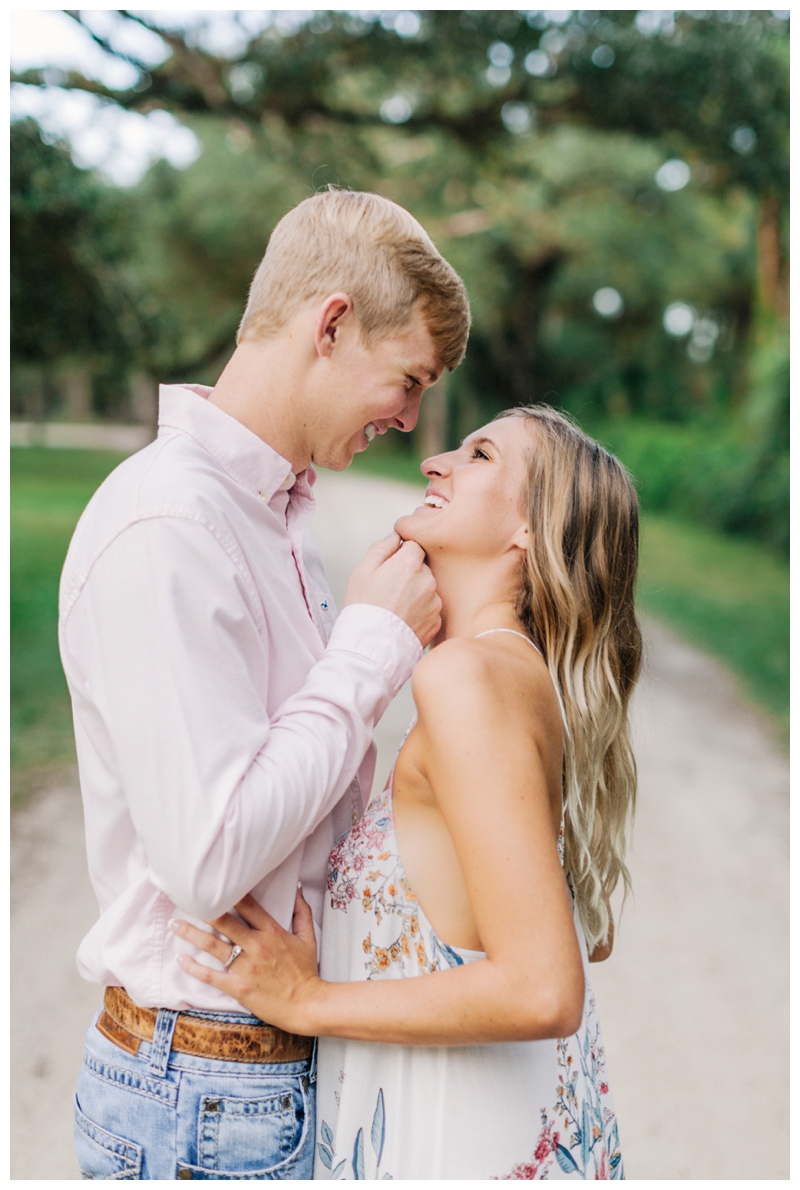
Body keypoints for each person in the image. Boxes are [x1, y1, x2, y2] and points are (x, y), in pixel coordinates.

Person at [58, 189, 471, 1180]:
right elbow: (208, 856)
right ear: (330, 323)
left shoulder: (272, 516)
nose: (411, 419)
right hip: (203, 1097)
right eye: (405, 379)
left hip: (263, 1075)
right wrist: (370, 649)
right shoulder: (172, 527)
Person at [173, 404, 642, 1179]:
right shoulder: (505, 673)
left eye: (480, 454)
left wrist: (307, 999)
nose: (436, 463)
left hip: (454, 1143)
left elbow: (542, 987)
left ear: (531, 529)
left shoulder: (469, 678)